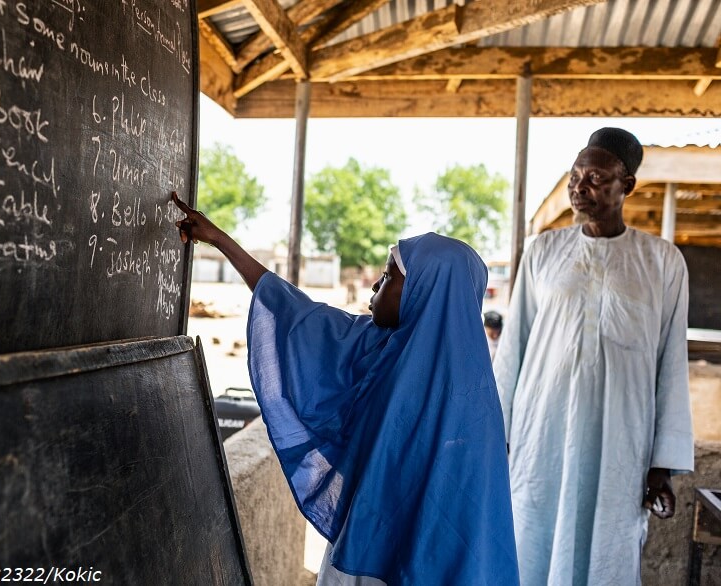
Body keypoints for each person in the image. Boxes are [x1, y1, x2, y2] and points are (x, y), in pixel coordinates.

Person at [172, 193, 519, 585]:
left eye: (390, 275)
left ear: (425, 292)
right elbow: (294, 313)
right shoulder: (375, 346)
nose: (375, 282)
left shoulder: (468, 402)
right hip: (364, 553)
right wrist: (221, 240)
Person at [493, 128, 693, 586]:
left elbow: (671, 366)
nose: (580, 187)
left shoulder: (662, 262)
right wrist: (497, 434)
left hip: (621, 439)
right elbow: (513, 350)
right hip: (541, 433)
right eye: (575, 175)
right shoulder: (543, 252)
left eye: (596, 177)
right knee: (532, 538)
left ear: (627, 185)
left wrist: (661, 465)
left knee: (608, 545)